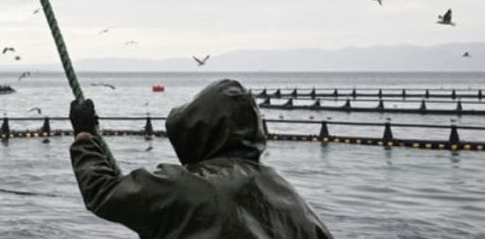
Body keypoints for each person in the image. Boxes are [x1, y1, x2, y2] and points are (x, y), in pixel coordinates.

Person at [69, 79, 334, 238]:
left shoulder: (186, 186)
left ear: (199, 133)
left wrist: (84, 136)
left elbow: (102, 192)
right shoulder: (288, 195)